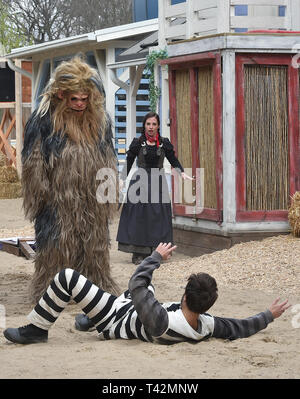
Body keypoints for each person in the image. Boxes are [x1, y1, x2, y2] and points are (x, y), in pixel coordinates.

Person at [3, 243, 290, 345]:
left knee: (66, 278)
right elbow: (239, 328)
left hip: (116, 317)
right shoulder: (206, 325)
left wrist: (154, 257)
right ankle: (89, 318)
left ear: (185, 298)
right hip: (130, 309)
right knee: (145, 289)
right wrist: (269, 315)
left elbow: (137, 283)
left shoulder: (162, 321)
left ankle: (37, 330)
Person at [21, 55, 120, 303]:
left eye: (84, 99)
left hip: (92, 196)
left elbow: (108, 157)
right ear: (61, 95)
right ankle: (53, 291)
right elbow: (33, 160)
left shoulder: (101, 121)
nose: (79, 104)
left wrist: (108, 193)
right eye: (74, 99)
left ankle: (94, 289)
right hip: (57, 197)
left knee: (94, 243)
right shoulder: (44, 120)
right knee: (56, 244)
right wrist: (40, 193)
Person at [117, 112, 193, 265]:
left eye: (154, 124)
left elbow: (173, 160)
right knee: (138, 217)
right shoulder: (138, 142)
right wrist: (122, 179)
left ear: (158, 126)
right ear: (144, 125)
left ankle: (156, 251)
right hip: (140, 182)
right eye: (148, 124)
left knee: (157, 218)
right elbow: (130, 160)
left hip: (158, 183)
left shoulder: (164, 143)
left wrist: (182, 173)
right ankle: (138, 253)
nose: (151, 127)